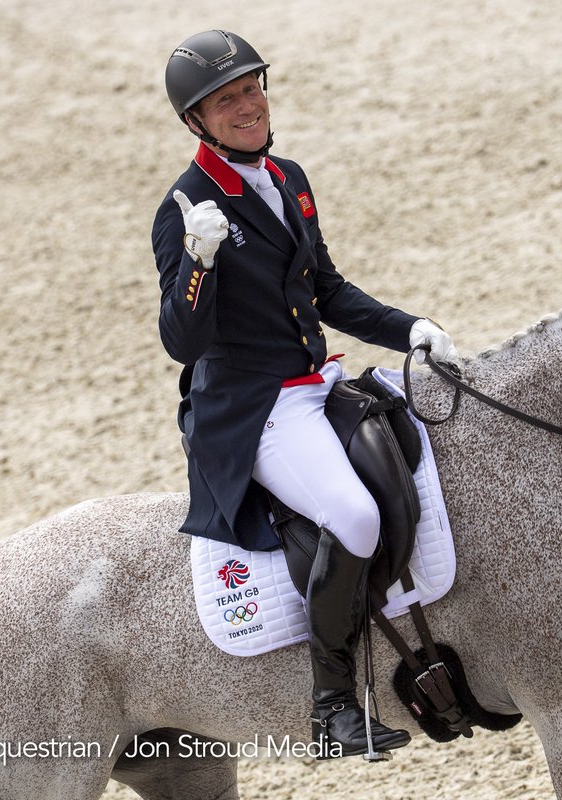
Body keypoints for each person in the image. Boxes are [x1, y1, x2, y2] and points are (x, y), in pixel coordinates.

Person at [153, 30, 458, 758]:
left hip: (317, 382)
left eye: (251, 89)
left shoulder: (288, 177)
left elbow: (324, 289)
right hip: (256, 408)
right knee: (353, 516)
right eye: (225, 101)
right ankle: (332, 709)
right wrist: (199, 261)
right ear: (195, 121)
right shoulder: (184, 208)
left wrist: (409, 327)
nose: (247, 106)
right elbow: (181, 341)